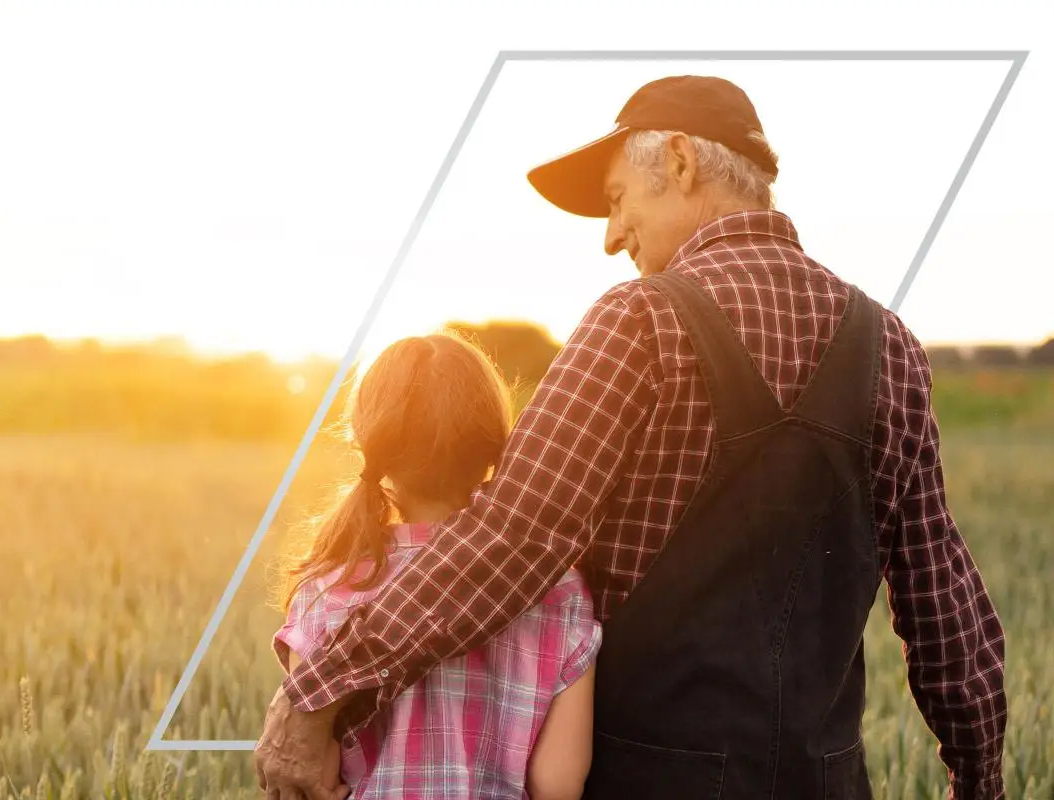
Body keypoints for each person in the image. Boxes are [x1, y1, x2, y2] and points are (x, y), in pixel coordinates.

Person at [254, 75, 1008, 800]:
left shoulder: (637, 324)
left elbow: (513, 537)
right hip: (828, 783)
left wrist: (321, 688)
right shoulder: (892, 349)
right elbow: (946, 610)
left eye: (617, 201)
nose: (614, 238)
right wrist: (979, 783)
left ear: (679, 162)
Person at [271, 331, 600, 800]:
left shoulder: (328, 588)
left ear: (370, 443)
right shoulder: (558, 589)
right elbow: (558, 785)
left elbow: (314, 775)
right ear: (496, 444)